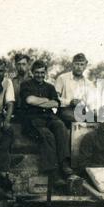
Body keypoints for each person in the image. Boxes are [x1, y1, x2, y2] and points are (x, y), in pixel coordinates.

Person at [20, 60, 73, 188]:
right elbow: (29, 100)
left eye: (42, 72)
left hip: (49, 117)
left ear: (45, 73)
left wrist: (40, 101)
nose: (39, 75)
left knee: (60, 126)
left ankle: (64, 164)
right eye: (37, 72)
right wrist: (45, 100)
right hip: (32, 119)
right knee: (47, 135)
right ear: (32, 72)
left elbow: (55, 103)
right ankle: (53, 174)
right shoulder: (25, 85)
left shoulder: (50, 87)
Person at [55, 53, 93, 128]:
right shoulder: (62, 78)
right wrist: (69, 102)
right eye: (77, 64)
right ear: (72, 64)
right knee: (77, 120)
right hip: (65, 110)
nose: (79, 67)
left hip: (81, 111)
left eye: (82, 64)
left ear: (85, 66)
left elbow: (90, 103)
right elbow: (55, 98)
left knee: (99, 120)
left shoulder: (88, 83)